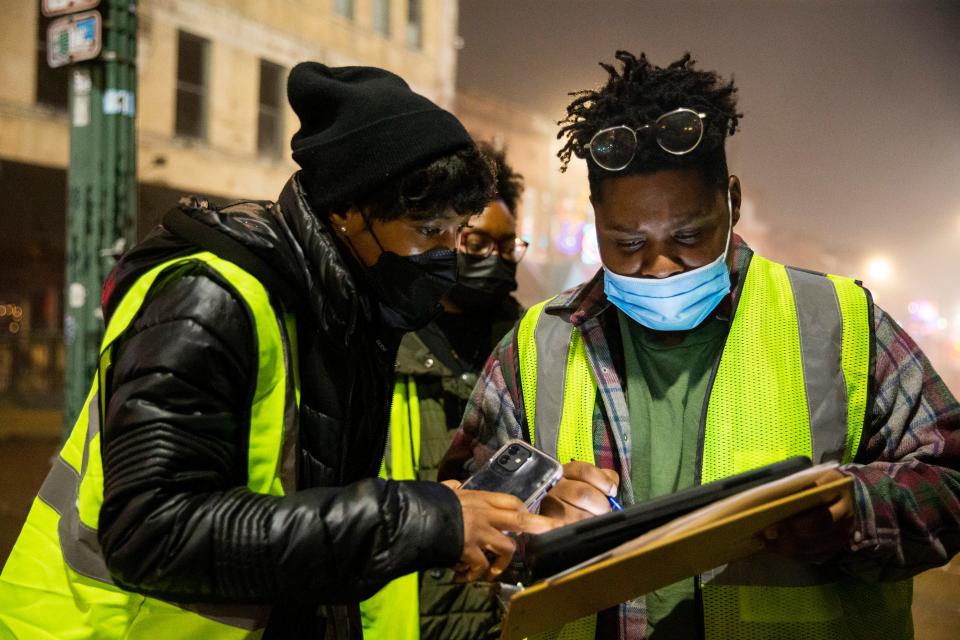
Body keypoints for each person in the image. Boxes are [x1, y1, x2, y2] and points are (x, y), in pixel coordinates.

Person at [0, 63, 555, 639]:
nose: (448, 254)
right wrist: (419, 519)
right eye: (430, 230)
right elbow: (152, 532)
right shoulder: (208, 300)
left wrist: (443, 509)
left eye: (455, 230)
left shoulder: (349, 310)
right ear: (346, 211)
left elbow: (316, 510)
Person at [440, 51, 960, 639]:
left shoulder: (835, 321)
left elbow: (950, 475)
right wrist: (530, 517)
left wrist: (857, 513)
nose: (659, 266)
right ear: (595, 219)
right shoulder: (538, 344)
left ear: (731, 201)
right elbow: (465, 515)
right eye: (627, 241)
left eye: (688, 235)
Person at [360, 143, 528, 640]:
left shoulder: (534, 350)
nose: (494, 260)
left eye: (507, 246)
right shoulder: (381, 347)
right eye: (477, 244)